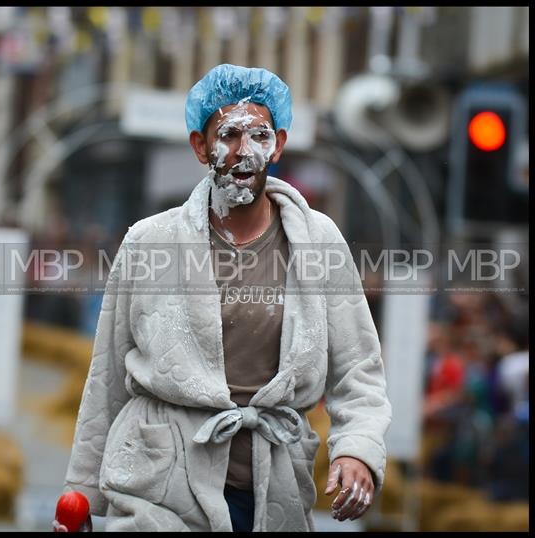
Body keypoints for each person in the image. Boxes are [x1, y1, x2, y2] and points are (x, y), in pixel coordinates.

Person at [62, 64, 392, 531]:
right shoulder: (148, 243)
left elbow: (359, 370)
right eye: (229, 134)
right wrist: (81, 501)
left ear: (278, 144)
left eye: (258, 135)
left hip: (273, 492)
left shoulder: (319, 242)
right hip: (157, 488)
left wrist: (357, 449)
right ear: (201, 146)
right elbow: (107, 381)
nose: (243, 151)